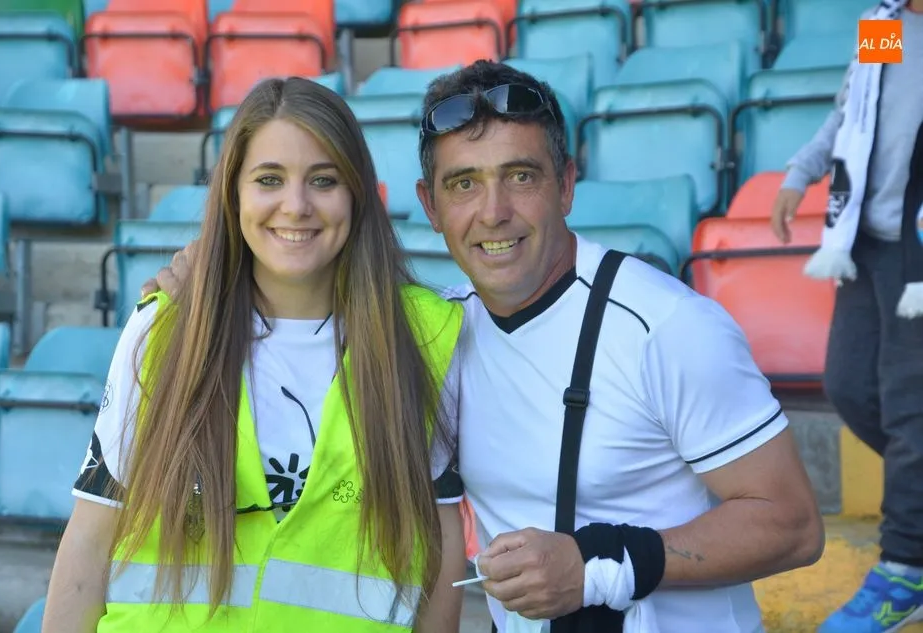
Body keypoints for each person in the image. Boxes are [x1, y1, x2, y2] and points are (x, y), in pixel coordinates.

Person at [148, 62, 826, 633]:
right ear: (430, 205)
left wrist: (598, 568)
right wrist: (202, 283)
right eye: (464, 183)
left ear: (566, 185)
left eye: (520, 176)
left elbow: (793, 525)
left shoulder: (668, 326)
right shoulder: (435, 335)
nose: (493, 210)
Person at [42, 77, 467, 633]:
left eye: (324, 180)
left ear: (359, 194)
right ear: (233, 194)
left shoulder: (424, 336)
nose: (296, 206)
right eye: (269, 179)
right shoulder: (163, 328)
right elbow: (91, 536)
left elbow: (440, 546)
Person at [771, 0, 923, 630]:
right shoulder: (884, 23)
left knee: (911, 408)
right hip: (868, 242)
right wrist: (800, 172)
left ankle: (905, 568)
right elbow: (850, 112)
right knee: (851, 386)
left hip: (920, 253)